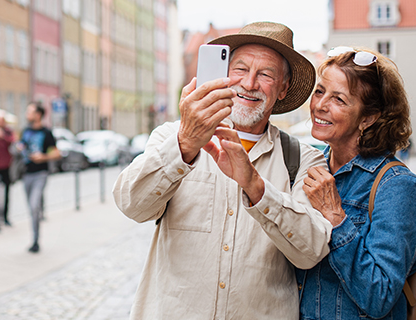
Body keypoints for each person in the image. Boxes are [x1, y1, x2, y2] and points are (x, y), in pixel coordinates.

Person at [113, 22, 333, 318]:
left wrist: (256, 186)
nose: (250, 83)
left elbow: (311, 252)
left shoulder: (304, 160)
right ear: (224, 75)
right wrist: (185, 144)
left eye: (265, 74)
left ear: (283, 89)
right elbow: (131, 205)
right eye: (240, 69)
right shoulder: (171, 137)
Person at [298, 46, 416, 319]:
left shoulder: (396, 186)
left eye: (339, 99)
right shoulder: (308, 167)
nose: (320, 105)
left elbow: (379, 295)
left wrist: (336, 218)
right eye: (320, 91)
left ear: (368, 118)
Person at [18, 102, 60, 253]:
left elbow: (57, 153)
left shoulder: (46, 132)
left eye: (29, 111)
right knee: (31, 207)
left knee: (34, 205)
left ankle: (35, 241)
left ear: (38, 115)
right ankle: (35, 233)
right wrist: (20, 147)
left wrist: (43, 157)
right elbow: (21, 144)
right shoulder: (25, 131)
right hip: (26, 174)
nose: (26, 114)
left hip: (40, 174)